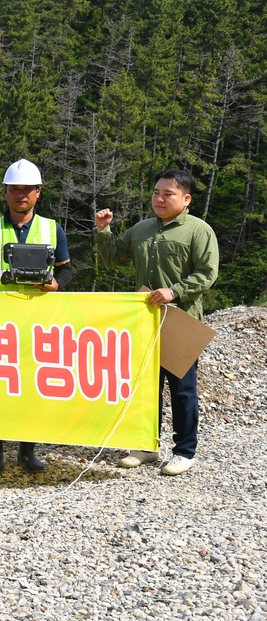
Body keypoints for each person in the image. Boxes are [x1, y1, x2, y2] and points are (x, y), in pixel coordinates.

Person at [95, 169, 218, 476]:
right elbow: (113, 258)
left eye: (168, 194)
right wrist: (103, 231)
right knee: (144, 388)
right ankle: (146, 446)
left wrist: (175, 291)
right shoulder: (141, 229)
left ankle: (184, 451)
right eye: (156, 192)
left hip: (180, 319)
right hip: (145, 320)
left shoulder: (198, 231)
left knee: (182, 389)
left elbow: (207, 273)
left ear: (186, 199)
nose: (159, 199)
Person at [0, 158, 72, 473]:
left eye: (28, 190)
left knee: (30, 388)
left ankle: (26, 450)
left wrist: (58, 284)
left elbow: (67, 269)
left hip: (36, 321)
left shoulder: (52, 228)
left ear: (38, 193)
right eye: (15, 189)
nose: (21, 195)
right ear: (4, 192)